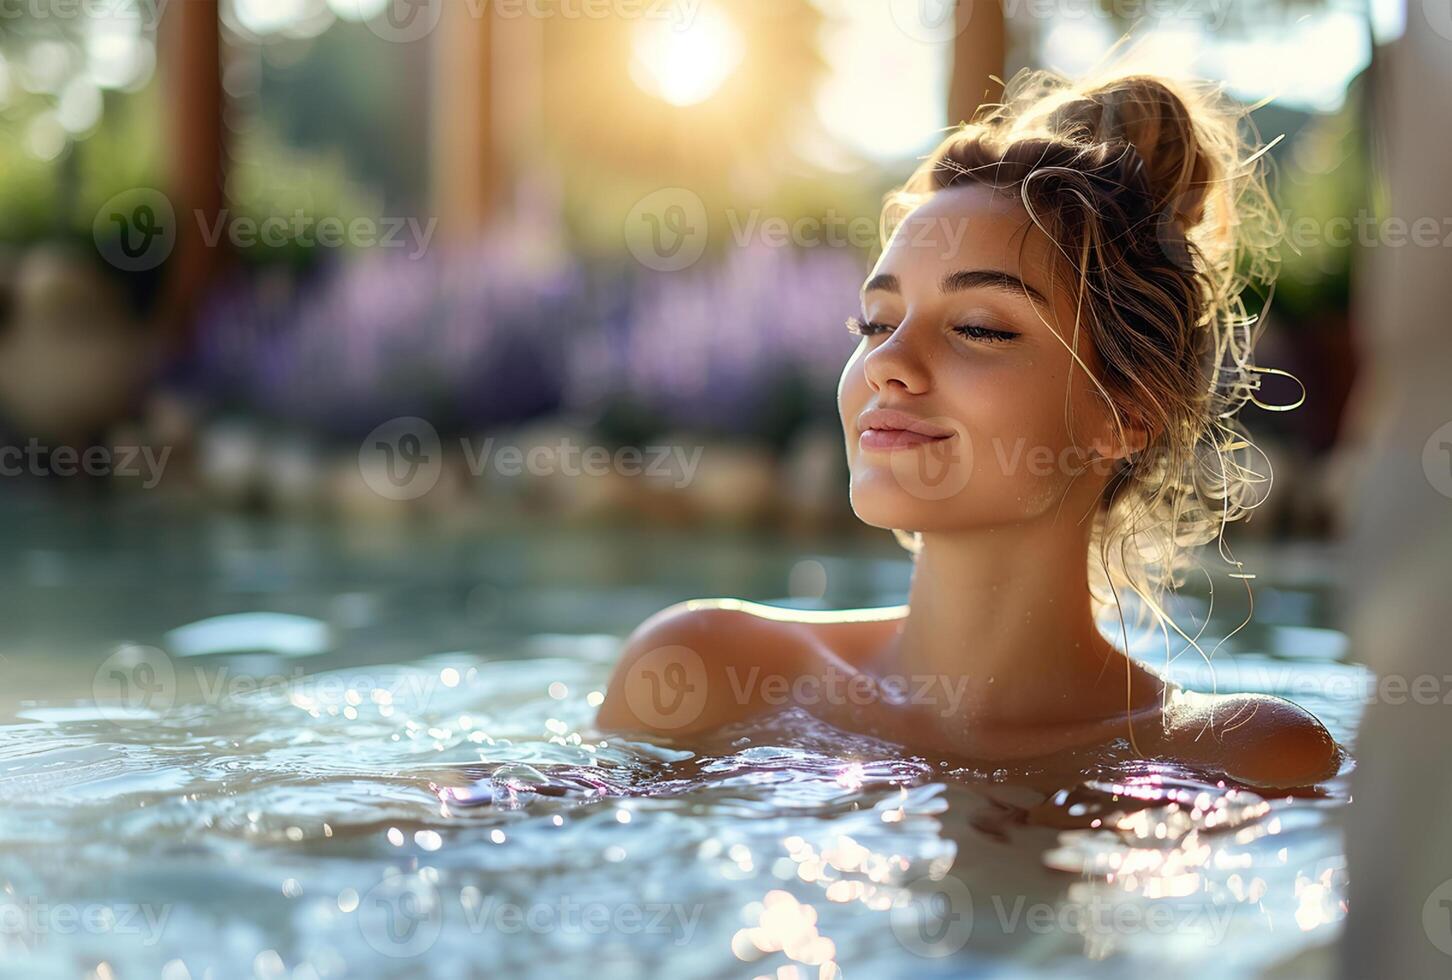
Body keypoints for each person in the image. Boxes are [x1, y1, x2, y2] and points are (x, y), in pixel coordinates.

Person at [597, 67, 1341, 789]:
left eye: (979, 328)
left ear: (1126, 414)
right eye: (876, 321)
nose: (888, 362)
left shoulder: (1234, 758)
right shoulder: (704, 675)